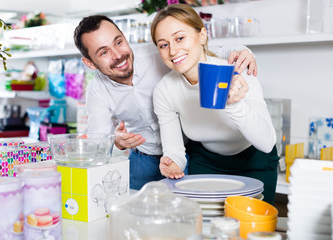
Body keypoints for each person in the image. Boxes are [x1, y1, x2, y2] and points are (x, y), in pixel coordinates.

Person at [73, 15, 258, 190]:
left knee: (189, 215)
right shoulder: (97, 91)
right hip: (142, 161)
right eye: (104, 52)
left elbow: (206, 52)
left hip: (189, 152)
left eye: (119, 42)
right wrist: (117, 142)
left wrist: (242, 52)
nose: (118, 55)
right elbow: (97, 144)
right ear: (90, 63)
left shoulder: (157, 53)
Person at [150, 4, 279, 204]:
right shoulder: (164, 90)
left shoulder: (236, 71)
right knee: (206, 228)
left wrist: (234, 105)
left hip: (255, 160)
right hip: (206, 161)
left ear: (202, 36)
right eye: (163, 44)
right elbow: (174, 150)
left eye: (180, 38)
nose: (173, 50)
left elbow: (266, 142)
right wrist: (173, 162)